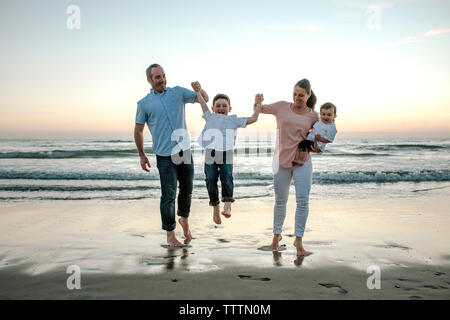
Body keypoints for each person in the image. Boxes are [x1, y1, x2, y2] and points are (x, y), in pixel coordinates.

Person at [134, 64, 208, 248]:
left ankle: (184, 219)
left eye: (163, 76)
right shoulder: (144, 104)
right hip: (164, 155)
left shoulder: (178, 93)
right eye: (157, 77)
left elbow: (203, 99)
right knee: (168, 195)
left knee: (187, 190)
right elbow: (138, 130)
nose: (162, 80)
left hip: (184, 150)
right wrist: (142, 155)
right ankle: (170, 235)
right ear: (149, 80)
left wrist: (199, 90)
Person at [256, 78, 320, 256]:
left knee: (303, 201)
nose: (297, 97)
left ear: (308, 95)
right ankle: (276, 238)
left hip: (302, 162)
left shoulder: (314, 116)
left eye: (301, 95)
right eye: (294, 94)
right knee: (280, 201)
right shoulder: (282, 107)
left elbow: (319, 139)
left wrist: (316, 148)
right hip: (281, 162)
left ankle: (298, 241)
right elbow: (260, 109)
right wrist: (258, 101)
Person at [191, 81, 262, 225]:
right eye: (218, 106)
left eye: (224, 106)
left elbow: (253, 119)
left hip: (226, 153)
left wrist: (258, 104)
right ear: (213, 108)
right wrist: (198, 91)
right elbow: (202, 104)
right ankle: (215, 206)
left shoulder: (233, 120)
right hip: (210, 152)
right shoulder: (210, 116)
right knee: (210, 178)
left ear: (229, 108)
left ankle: (228, 204)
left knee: (227, 176)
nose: (221, 108)